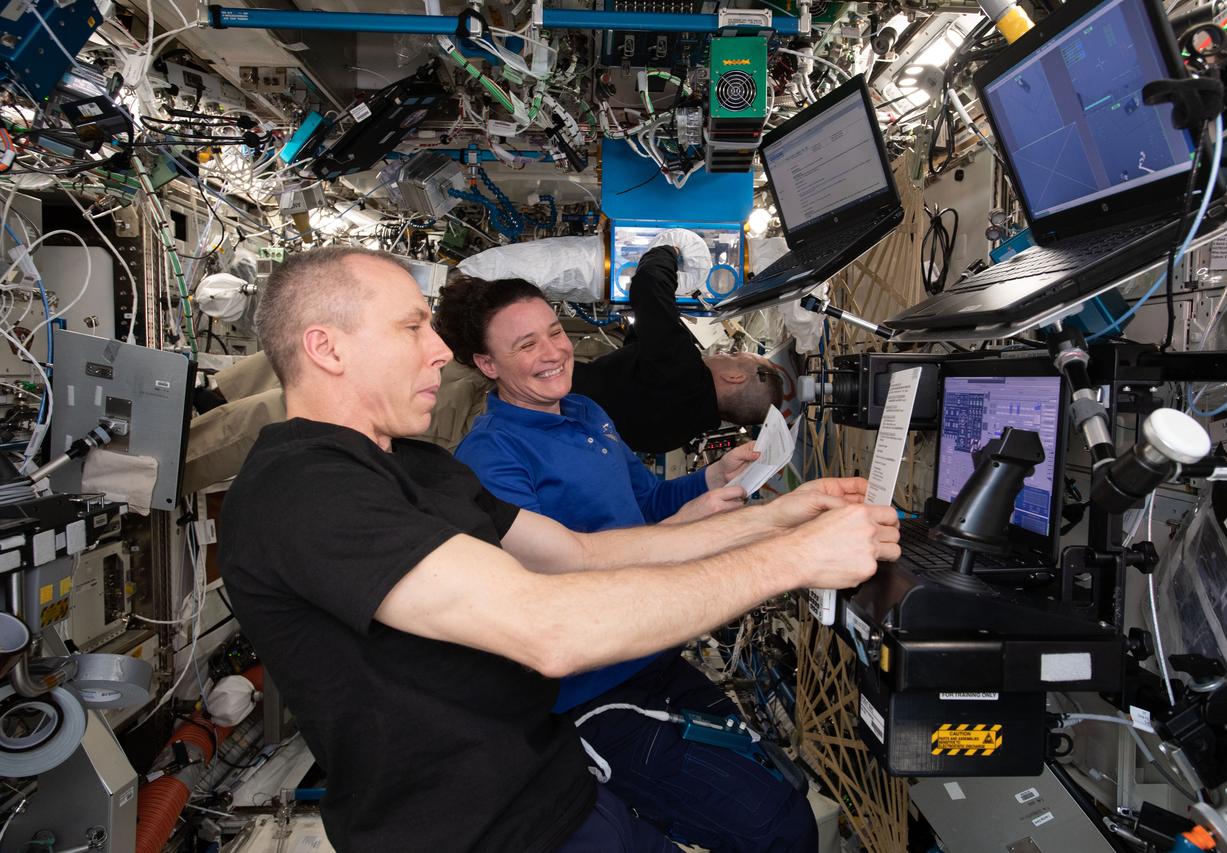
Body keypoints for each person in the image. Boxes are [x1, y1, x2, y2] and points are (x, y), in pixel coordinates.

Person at [218, 246, 900, 852]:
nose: (438, 350)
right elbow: (548, 626)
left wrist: (778, 517)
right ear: (326, 348)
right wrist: (793, 560)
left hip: (553, 787)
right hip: (478, 832)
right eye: (410, 327)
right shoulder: (306, 489)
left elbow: (579, 554)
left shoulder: (420, 469)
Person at [436, 275, 819, 850]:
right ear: (487, 365)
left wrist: (713, 478)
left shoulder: (588, 413)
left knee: (782, 789)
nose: (554, 351)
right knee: (774, 828)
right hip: (588, 692)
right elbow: (550, 585)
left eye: (555, 331)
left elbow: (642, 501)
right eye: (525, 345)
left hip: (653, 655)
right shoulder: (492, 458)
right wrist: (685, 529)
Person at [571, 239, 784, 453]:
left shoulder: (684, 371)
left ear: (735, 378)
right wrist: (659, 319)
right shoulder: (677, 435)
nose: (723, 352)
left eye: (733, 356)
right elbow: (639, 366)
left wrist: (670, 249)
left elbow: (649, 283)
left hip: (549, 390)